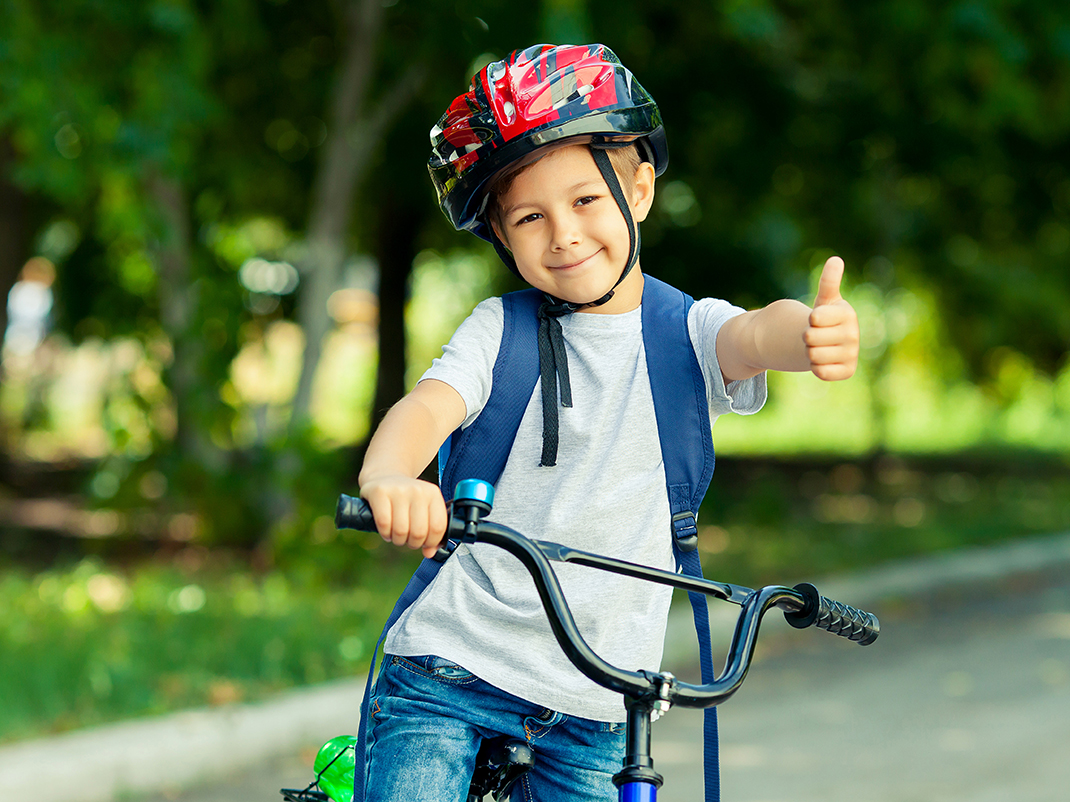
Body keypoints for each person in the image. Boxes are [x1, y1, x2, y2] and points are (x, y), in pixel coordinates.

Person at [356, 43, 859, 801]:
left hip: (602, 701)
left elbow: (754, 335)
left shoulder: (684, 330)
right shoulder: (499, 331)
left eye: (586, 201)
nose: (563, 233)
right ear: (500, 235)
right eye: (529, 216)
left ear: (641, 190)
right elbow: (427, 407)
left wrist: (808, 335)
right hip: (452, 670)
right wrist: (391, 476)